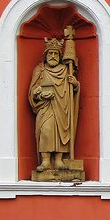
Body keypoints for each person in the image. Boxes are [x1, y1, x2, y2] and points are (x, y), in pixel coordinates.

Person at [28, 27, 79, 173]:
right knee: (46, 131)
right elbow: (33, 90)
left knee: (62, 131)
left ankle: (58, 160)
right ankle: (45, 161)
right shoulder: (40, 70)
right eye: (50, 53)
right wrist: (39, 94)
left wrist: (75, 84)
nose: (53, 56)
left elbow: (74, 91)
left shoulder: (66, 70)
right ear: (45, 55)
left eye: (55, 53)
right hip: (46, 107)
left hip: (63, 106)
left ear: (60, 55)